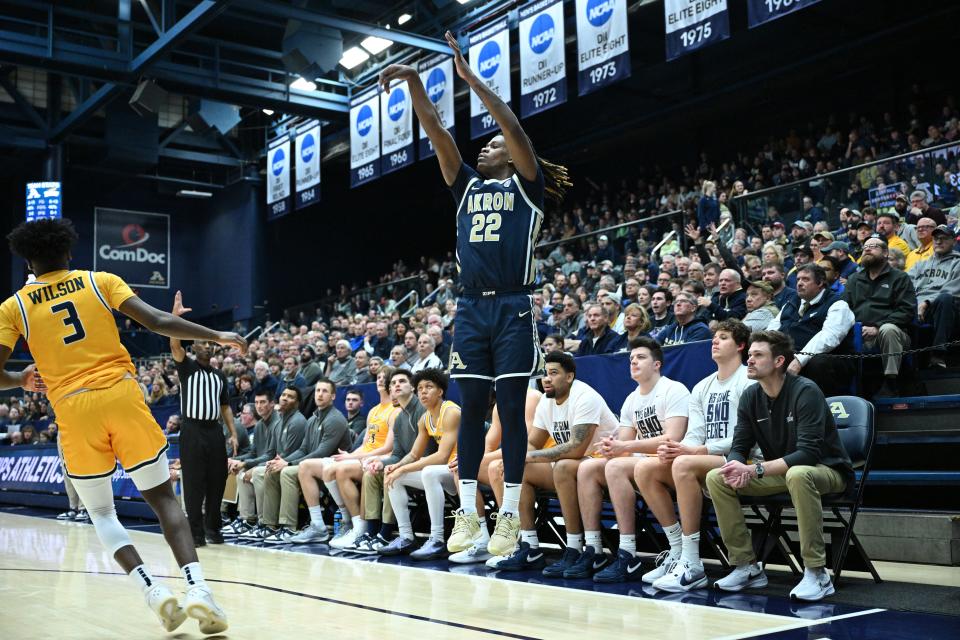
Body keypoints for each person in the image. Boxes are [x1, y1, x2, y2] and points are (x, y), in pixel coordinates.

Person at [0, 218, 246, 633]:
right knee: (166, 500)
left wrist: (19, 379)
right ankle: (199, 589)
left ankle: (152, 590)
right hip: (121, 395)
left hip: (73, 410)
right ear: (69, 252)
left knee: (100, 511)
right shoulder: (100, 280)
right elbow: (159, 322)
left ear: (28, 260)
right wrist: (217, 334)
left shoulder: (13, 306)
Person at [379, 32, 572, 560]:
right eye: (483, 144)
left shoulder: (525, 187)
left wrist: (472, 81)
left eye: (493, 145)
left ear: (511, 156)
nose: (486, 146)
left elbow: (512, 124)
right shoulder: (465, 187)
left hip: (512, 304)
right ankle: (470, 511)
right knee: (472, 407)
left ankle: (509, 513)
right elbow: (438, 132)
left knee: (510, 408)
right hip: (471, 308)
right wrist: (418, 84)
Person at [706, 331, 852, 602]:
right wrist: (737, 466)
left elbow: (807, 454)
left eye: (758, 355)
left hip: (827, 470)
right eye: (749, 354)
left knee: (798, 474)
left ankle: (817, 572)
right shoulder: (751, 396)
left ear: (779, 361)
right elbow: (740, 445)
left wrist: (755, 470)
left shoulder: (805, 391)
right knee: (717, 477)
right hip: (783, 472)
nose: (749, 360)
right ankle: (746, 566)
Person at [641, 320, 755, 592]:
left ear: (740, 345)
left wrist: (696, 451)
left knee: (683, 463)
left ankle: (693, 563)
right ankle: (676, 551)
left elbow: (748, 437)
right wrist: (680, 447)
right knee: (645, 469)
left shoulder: (748, 381)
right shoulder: (702, 386)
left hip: (745, 458)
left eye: (724, 337)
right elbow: (695, 433)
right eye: (714, 337)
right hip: (708, 459)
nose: (715, 341)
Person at [486, 351, 618, 572]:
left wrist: (528, 456)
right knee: (518, 471)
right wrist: (520, 458)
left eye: (553, 373)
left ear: (569, 376)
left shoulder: (585, 396)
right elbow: (533, 443)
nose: (546, 378)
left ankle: (577, 548)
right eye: (544, 374)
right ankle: (529, 547)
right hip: (577, 465)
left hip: (605, 462)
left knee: (563, 466)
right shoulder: (546, 403)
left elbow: (576, 448)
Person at [575, 337, 690, 583]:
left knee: (615, 467)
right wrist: (610, 448)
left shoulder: (674, 389)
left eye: (641, 357)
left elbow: (672, 438)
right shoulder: (631, 399)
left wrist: (624, 447)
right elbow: (624, 446)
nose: (634, 362)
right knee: (589, 468)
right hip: (642, 464)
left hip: (673, 461)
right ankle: (593, 548)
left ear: (657, 364)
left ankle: (628, 552)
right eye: (631, 359)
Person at [169, 292, 239, 547]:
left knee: (216, 480)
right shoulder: (186, 366)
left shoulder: (219, 376)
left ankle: (213, 527)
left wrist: (232, 433)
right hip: (192, 430)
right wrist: (175, 317)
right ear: (194, 348)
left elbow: (225, 407)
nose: (208, 346)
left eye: (210, 343)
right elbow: (174, 345)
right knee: (194, 482)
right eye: (203, 343)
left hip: (214, 431)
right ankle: (196, 533)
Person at [259, 380, 350, 544]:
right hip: (312, 467)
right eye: (317, 391)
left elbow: (322, 452)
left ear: (333, 396)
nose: (320, 394)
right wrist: (284, 461)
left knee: (287, 472)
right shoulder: (312, 420)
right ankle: (270, 525)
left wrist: (288, 465)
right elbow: (303, 449)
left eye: (325, 391)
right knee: (273, 470)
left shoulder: (335, 419)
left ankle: (289, 527)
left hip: (332, 469)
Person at [383, 369, 461, 559]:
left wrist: (403, 468)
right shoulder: (424, 419)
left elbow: (442, 456)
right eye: (419, 388)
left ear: (440, 391)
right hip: (449, 471)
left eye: (429, 387)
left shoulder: (451, 412)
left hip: (466, 469)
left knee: (429, 472)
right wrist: (397, 466)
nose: (423, 392)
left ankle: (437, 539)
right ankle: (406, 537)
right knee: (394, 477)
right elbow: (414, 454)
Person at [843, 234, 918, 396]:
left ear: (885, 253)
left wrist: (877, 327)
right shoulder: (853, 279)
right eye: (865, 247)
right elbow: (843, 309)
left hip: (893, 334)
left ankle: (891, 382)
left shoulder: (900, 277)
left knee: (888, 330)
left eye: (873, 246)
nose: (867, 249)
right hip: (858, 333)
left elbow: (906, 310)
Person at [909, 226, 960, 369]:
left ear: (953, 242)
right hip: (916, 308)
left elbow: (953, 291)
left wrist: (926, 303)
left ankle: (938, 354)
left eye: (943, 238)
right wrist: (915, 304)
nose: (938, 241)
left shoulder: (957, 263)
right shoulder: (919, 265)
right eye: (936, 238)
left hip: (944, 310)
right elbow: (905, 286)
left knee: (945, 298)